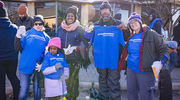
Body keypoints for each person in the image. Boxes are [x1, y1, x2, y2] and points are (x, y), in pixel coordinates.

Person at [118, 12, 169, 100]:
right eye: (131, 23)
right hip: (131, 69)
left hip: (145, 70)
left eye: (135, 21)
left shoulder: (151, 34)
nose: (133, 24)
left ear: (140, 22)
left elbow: (163, 49)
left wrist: (162, 62)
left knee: (146, 95)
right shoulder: (131, 36)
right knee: (131, 93)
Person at [84, 1, 126, 100]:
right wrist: (88, 28)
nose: (105, 11)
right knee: (102, 81)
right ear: (100, 12)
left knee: (114, 82)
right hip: (100, 59)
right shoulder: (96, 25)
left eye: (107, 9)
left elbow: (126, 38)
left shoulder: (118, 25)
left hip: (114, 60)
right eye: (103, 10)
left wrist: (125, 28)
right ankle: (103, 98)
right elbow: (87, 36)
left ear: (110, 12)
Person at [56, 5, 89, 100]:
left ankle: (73, 98)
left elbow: (85, 44)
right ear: (65, 16)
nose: (70, 17)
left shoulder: (79, 28)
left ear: (75, 17)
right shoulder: (60, 28)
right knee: (64, 81)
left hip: (75, 60)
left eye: (72, 16)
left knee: (73, 82)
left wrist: (75, 48)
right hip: (62, 60)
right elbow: (57, 42)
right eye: (68, 15)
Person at [14, 15, 50, 100]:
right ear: (33, 24)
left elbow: (48, 55)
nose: (38, 26)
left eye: (40, 24)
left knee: (37, 93)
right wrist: (17, 37)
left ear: (43, 25)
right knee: (23, 92)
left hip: (37, 69)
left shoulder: (46, 38)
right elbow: (17, 48)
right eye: (36, 23)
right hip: (24, 67)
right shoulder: (27, 34)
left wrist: (43, 64)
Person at [0, 1, 20, 100]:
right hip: (13, 58)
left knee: (1, 82)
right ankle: (17, 97)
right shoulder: (15, 28)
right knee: (13, 77)